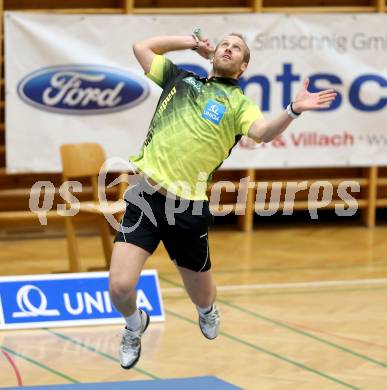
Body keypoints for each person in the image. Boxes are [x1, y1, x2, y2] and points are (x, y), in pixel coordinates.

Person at [109, 31, 337, 369]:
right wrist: (189, 42)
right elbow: (140, 46)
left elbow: (262, 132)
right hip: (146, 197)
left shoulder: (238, 104)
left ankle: (206, 311)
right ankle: (133, 325)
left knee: (201, 295)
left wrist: (292, 110)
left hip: (187, 208)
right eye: (225, 44)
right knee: (119, 287)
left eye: (237, 49)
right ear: (214, 53)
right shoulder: (179, 79)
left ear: (242, 67)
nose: (229, 49)